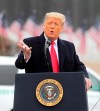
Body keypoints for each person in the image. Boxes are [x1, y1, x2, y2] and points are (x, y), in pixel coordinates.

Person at [15, 12, 92, 90]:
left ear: (61, 28)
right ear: (44, 25)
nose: (52, 26)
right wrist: (26, 56)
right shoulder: (31, 43)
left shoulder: (69, 47)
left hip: (64, 94)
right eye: (49, 23)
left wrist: (85, 77)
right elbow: (19, 65)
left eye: (56, 24)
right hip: (38, 93)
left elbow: (79, 66)